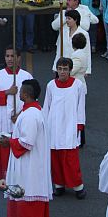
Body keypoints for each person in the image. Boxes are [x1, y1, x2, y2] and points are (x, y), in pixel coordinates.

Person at [3, 78, 51, 217]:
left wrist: (8, 141)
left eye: (22, 91)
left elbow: (27, 142)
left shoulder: (31, 115)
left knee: (27, 190)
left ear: (25, 94)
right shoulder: (33, 111)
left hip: (30, 163)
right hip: (32, 161)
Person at [0, 46, 33, 180]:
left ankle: (21, 177)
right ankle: (5, 179)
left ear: (19, 58)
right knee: (4, 150)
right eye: (7, 56)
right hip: (3, 120)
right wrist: (7, 92)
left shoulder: (26, 76)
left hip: (20, 119)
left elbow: (32, 99)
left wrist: (19, 115)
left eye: (13, 56)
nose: (10, 59)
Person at [44, 57, 86, 199]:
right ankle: (59, 185)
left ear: (70, 70)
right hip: (54, 127)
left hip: (70, 126)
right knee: (55, 158)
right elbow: (46, 107)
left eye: (65, 69)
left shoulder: (78, 85)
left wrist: (79, 125)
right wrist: (44, 125)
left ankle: (78, 187)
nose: (62, 72)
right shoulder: (51, 85)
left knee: (70, 160)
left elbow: (81, 107)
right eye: (60, 69)